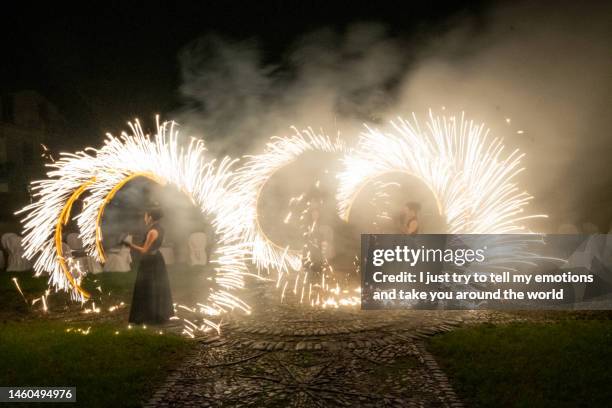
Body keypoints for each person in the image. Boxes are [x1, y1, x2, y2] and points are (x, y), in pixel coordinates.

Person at [126, 208, 174, 324]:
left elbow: (144, 250)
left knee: (148, 287)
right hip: (156, 259)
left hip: (150, 261)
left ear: (151, 217)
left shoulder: (153, 231)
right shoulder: (160, 229)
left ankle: (149, 316)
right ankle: (156, 314)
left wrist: (129, 245)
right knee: (155, 286)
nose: (144, 218)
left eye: (146, 216)